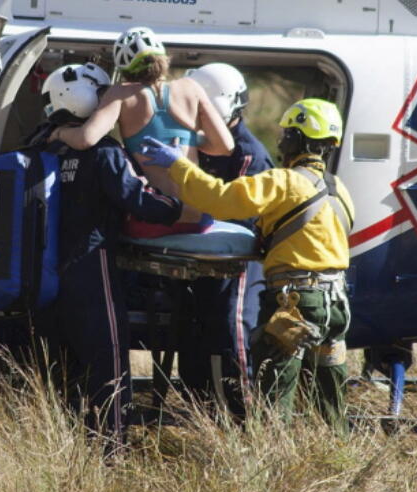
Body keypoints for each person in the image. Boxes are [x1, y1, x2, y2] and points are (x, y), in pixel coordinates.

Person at [137, 98, 355, 426]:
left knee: (274, 398)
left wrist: (177, 165)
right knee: (329, 401)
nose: (280, 141)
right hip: (336, 305)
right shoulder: (340, 190)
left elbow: (222, 201)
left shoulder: (284, 181)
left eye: (286, 134)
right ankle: (338, 458)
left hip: (296, 303)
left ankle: (270, 467)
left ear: (298, 139)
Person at [33, 62, 184, 450]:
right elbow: (140, 200)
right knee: (109, 361)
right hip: (91, 268)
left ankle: (60, 445)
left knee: (61, 368)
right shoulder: (103, 152)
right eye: (102, 98)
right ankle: (110, 449)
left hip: (44, 277)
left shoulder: (41, 145)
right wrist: (175, 202)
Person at [51, 27, 233, 235]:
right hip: (198, 219)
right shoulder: (191, 87)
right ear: (163, 57)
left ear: (124, 68)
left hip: (157, 221)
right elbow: (226, 146)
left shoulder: (121, 93)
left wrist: (59, 133)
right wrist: (189, 141)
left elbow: (86, 139)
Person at [175, 63, 274, 418]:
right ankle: (200, 414)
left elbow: (242, 216)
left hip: (239, 259)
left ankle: (245, 417)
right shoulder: (196, 143)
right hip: (201, 257)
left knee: (234, 333)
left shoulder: (249, 155)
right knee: (195, 335)